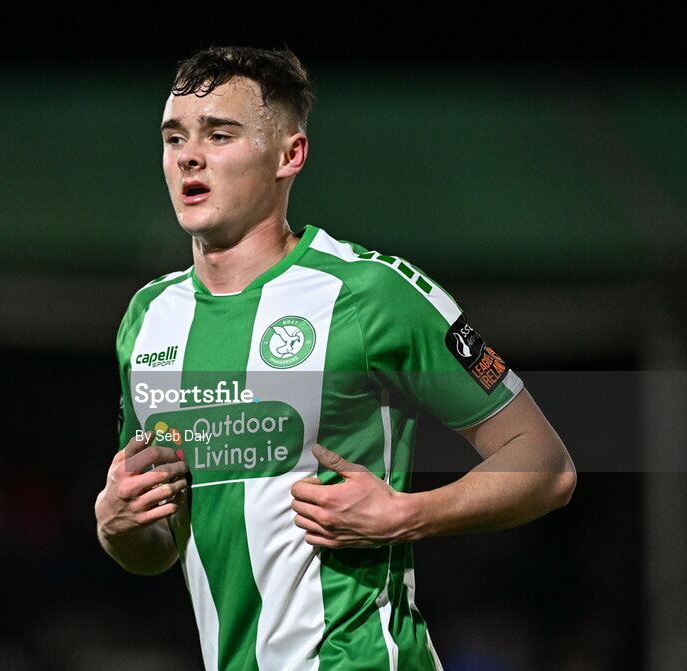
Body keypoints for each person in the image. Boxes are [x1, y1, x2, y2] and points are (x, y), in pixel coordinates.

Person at [94, 46, 576, 671]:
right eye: (174, 137)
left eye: (220, 135)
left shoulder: (371, 294)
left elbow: (546, 464)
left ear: (289, 156)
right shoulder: (148, 318)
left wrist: (407, 515)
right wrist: (117, 524)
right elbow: (156, 546)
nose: (189, 155)